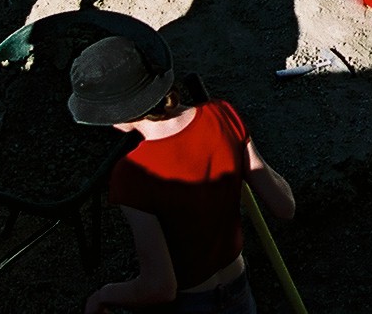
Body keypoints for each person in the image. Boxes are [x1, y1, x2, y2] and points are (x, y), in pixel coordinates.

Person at [70, 35, 294, 314]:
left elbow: (160, 287)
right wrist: (233, 146)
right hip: (239, 290)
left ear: (117, 116)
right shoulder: (221, 114)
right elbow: (284, 206)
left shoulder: (133, 174)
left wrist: (104, 295)